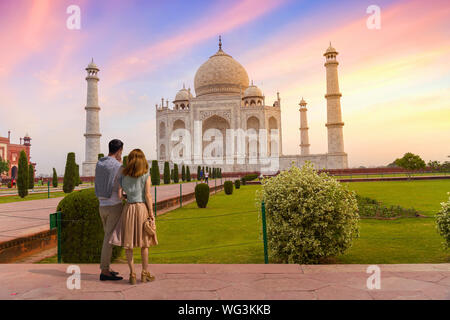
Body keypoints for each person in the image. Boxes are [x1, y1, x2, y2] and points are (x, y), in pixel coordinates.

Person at [110, 149, 158, 285]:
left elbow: (120, 195)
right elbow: (148, 195)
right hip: (142, 208)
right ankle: (144, 273)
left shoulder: (123, 176)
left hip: (129, 209)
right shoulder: (145, 175)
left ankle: (132, 275)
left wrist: (127, 197)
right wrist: (151, 213)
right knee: (144, 244)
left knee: (128, 245)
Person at [94, 139, 124, 281]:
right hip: (114, 205)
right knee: (109, 238)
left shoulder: (100, 163)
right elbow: (121, 185)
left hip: (102, 205)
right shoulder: (118, 166)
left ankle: (107, 267)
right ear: (119, 151)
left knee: (107, 236)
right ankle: (104, 271)